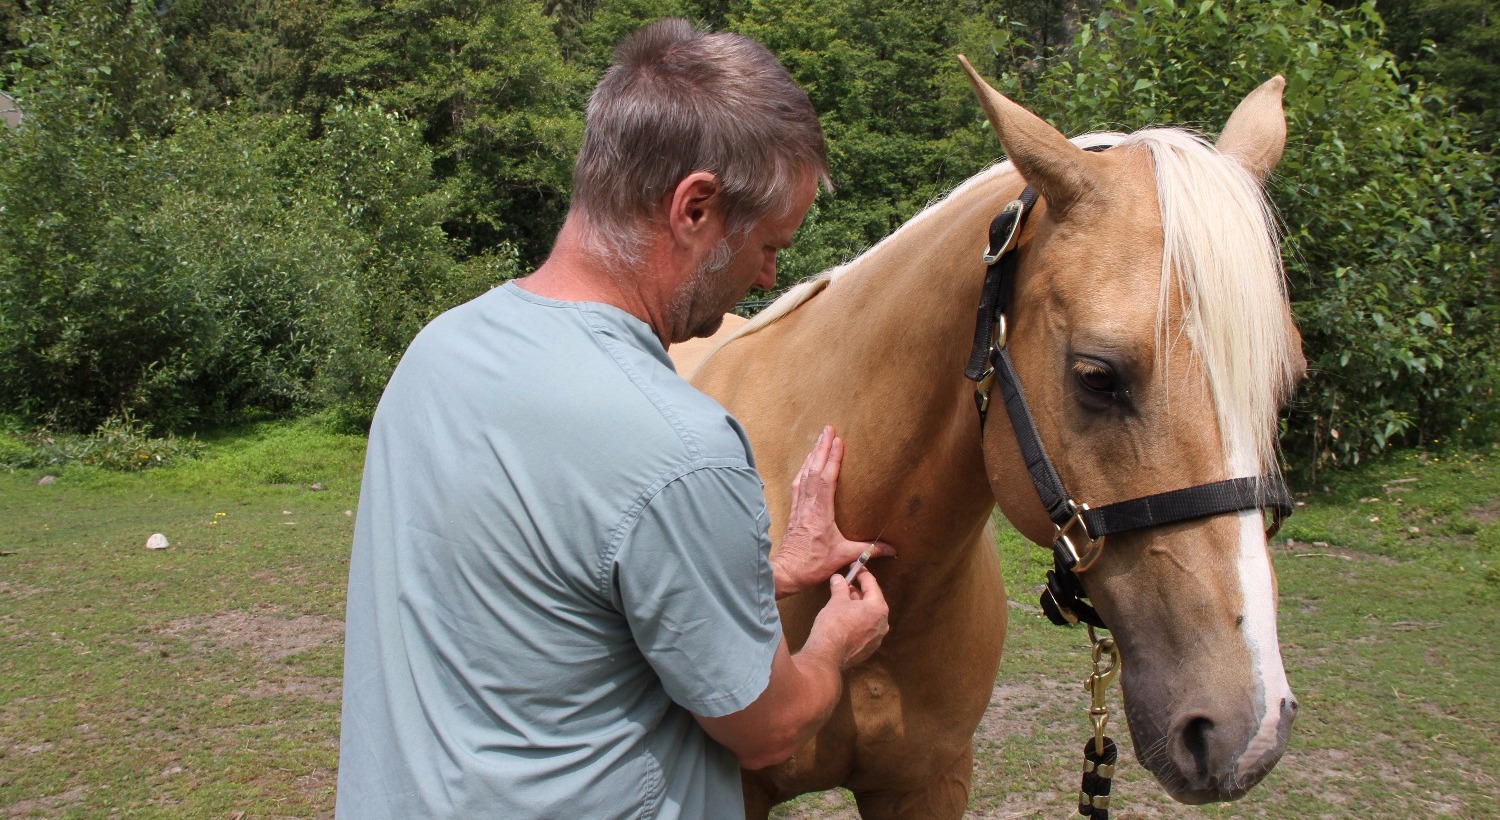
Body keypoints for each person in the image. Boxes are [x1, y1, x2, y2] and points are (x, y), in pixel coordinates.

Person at [335, 18, 892, 820]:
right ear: (694, 208)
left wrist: (763, 574)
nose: (770, 274)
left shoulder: (438, 353)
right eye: (771, 242)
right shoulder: (677, 446)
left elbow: (538, 597)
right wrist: (835, 642)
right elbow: (766, 731)